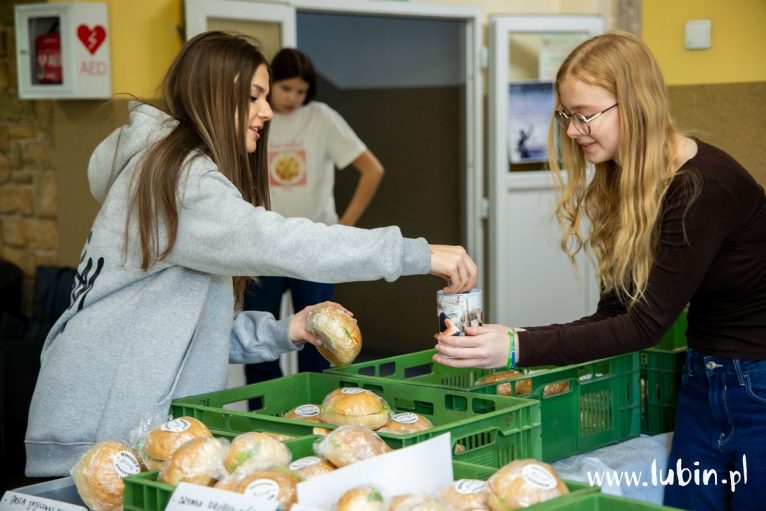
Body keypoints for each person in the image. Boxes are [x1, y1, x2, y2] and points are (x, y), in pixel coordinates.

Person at [24, 31, 476, 477]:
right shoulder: (181, 181)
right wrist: (414, 254)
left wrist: (284, 331)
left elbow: (191, 332)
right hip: (97, 428)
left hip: (108, 420)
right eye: (254, 97)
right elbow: (282, 241)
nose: (267, 111)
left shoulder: (167, 170)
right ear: (214, 96)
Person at [434, 32, 766, 511]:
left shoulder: (702, 187)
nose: (573, 131)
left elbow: (644, 327)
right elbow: (616, 312)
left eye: (584, 115)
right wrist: (515, 338)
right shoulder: (627, 182)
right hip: (703, 376)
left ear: (635, 105)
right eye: (566, 116)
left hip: (756, 383)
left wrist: (517, 348)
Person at [244, 48, 385, 383]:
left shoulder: (321, 117)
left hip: (315, 247)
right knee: (259, 342)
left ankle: (314, 409)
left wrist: (343, 228)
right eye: (286, 89)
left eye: (301, 91)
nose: (293, 97)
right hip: (263, 245)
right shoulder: (254, 117)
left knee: (320, 341)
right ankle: (265, 411)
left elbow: (372, 170)